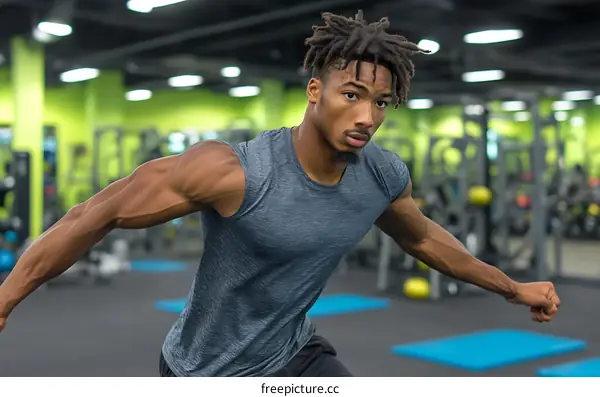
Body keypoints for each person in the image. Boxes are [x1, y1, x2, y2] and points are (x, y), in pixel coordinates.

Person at [0, 10, 560, 377]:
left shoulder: (382, 175)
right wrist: (4, 299)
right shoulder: (233, 172)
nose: (367, 116)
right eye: (352, 93)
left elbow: (428, 241)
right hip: (203, 370)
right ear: (315, 92)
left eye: (381, 103)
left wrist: (512, 288)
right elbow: (94, 214)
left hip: (294, 359)